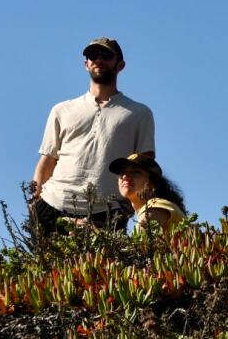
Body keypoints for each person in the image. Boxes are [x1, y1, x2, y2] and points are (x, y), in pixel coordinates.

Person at [29, 37, 155, 237]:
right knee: (46, 269)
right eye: (92, 55)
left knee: (102, 269)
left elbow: (146, 165)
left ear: (120, 65)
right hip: (53, 204)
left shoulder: (139, 113)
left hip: (107, 211)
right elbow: (48, 158)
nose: (98, 59)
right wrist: (35, 200)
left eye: (106, 55)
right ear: (85, 63)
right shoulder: (62, 110)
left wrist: (130, 209)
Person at [109, 153, 186, 234]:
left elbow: (140, 245)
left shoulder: (156, 206)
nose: (125, 176)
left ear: (153, 182)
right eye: (122, 173)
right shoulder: (155, 206)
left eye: (135, 172)